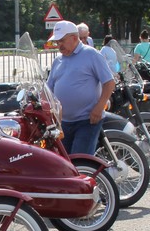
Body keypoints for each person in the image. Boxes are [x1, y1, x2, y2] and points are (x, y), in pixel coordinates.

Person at [46, 20, 116, 155]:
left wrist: (99, 108)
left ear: (74, 37)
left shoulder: (91, 54)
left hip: (87, 120)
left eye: (62, 41)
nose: (59, 45)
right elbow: (49, 89)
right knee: (64, 162)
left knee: (80, 161)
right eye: (57, 42)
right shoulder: (58, 60)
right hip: (64, 122)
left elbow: (109, 82)